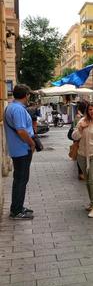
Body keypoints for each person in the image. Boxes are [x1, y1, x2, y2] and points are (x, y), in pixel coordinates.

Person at [4, 84, 36, 220]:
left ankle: (17, 206)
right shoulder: (17, 109)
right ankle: (16, 211)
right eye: (29, 95)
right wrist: (32, 143)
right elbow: (21, 131)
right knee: (21, 180)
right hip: (22, 149)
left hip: (18, 149)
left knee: (20, 179)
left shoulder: (11, 107)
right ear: (26, 95)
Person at [70, 101, 88, 180]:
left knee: (80, 155)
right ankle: (81, 173)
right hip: (81, 139)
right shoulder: (81, 117)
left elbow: (74, 127)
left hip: (80, 140)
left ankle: (81, 173)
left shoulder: (79, 117)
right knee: (81, 155)